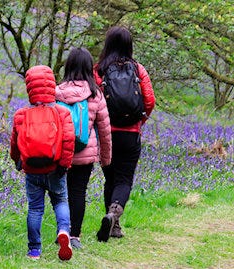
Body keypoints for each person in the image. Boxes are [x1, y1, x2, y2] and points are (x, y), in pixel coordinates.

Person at [93, 26, 155, 242]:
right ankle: (114, 216)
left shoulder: (98, 70)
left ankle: (113, 223)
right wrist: (140, 122)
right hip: (130, 134)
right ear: (129, 45)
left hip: (106, 133)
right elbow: (150, 100)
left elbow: (93, 101)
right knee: (124, 179)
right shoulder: (139, 69)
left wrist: (99, 125)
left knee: (109, 178)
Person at [9, 65, 76, 261]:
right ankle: (64, 232)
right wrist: (64, 165)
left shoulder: (21, 114)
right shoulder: (62, 113)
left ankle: (34, 250)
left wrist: (18, 162)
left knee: (35, 208)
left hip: (32, 170)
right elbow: (69, 141)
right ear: (52, 85)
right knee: (60, 201)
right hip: (56, 169)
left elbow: (15, 143)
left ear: (29, 87)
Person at [55, 48, 112, 249]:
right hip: (84, 154)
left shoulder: (57, 92)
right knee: (78, 192)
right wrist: (105, 159)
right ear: (89, 68)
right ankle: (74, 236)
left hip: (61, 153)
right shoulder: (95, 94)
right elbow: (105, 130)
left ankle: (61, 230)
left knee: (61, 193)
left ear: (68, 66)